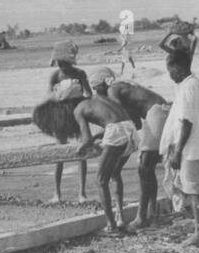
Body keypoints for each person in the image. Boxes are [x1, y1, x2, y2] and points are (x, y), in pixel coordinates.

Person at [32, 78, 135, 233]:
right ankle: (120, 217)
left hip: (116, 132)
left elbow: (86, 139)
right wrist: (97, 138)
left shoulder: (78, 110)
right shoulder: (97, 99)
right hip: (130, 129)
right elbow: (115, 121)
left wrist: (79, 149)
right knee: (115, 174)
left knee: (101, 180)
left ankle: (111, 226)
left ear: (66, 103)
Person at [104, 74, 171, 229]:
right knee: (148, 168)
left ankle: (141, 217)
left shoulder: (112, 89)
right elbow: (136, 124)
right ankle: (152, 214)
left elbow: (118, 116)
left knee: (144, 167)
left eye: (96, 89)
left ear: (102, 84)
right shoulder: (127, 91)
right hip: (160, 111)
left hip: (156, 113)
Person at [161, 49, 199, 246]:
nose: (170, 74)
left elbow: (186, 123)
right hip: (192, 147)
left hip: (190, 150)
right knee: (195, 190)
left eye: (170, 70)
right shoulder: (192, 85)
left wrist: (178, 150)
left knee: (195, 191)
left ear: (178, 67)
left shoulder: (189, 87)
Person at [45, 40, 92, 203]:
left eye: (65, 64)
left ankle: (82, 193)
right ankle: (57, 193)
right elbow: (49, 96)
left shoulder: (80, 74)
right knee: (60, 153)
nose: (62, 67)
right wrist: (58, 96)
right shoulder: (55, 76)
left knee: (81, 152)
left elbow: (89, 94)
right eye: (60, 64)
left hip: (77, 114)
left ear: (71, 62)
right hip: (61, 115)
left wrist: (79, 97)